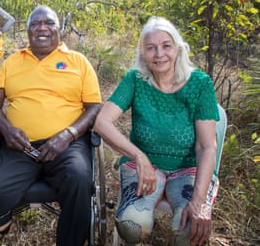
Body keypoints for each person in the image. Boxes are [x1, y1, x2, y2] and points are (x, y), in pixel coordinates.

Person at [0, 5, 102, 246]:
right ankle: (1, 224)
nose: (42, 28)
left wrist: (68, 134)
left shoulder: (78, 61)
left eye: (49, 23)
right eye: (35, 24)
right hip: (19, 146)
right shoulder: (13, 62)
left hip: (68, 146)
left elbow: (94, 106)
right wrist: (6, 129)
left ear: (59, 29)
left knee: (79, 179)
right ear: (28, 31)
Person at [93, 16, 220, 246]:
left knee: (189, 233)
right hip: (145, 167)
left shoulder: (200, 84)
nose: (159, 53)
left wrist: (199, 200)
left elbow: (206, 146)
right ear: (143, 54)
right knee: (131, 228)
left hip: (187, 168)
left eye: (166, 46)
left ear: (178, 49)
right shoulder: (135, 80)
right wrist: (139, 157)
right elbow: (102, 122)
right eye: (151, 48)